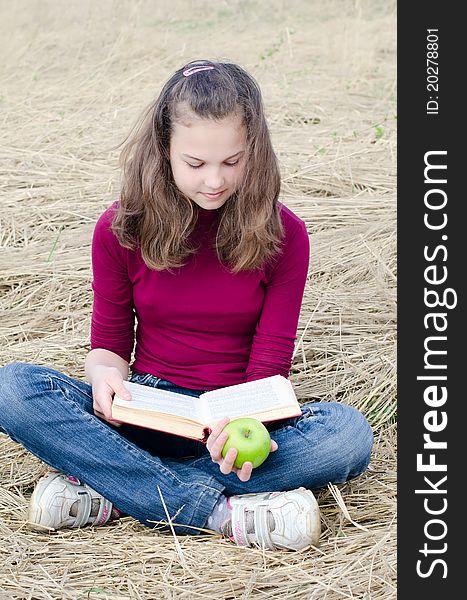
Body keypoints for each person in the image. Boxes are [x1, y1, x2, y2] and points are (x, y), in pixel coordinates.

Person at [0, 60, 373, 551]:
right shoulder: (121, 229)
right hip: (148, 413)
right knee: (12, 388)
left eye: (232, 161)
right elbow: (109, 347)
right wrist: (104, 377)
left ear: (254, 152)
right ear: (164, 152)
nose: (214, 180)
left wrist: (246, 421)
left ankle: (117, 490)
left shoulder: (287, 235)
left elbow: (271, 363)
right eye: (195, 164)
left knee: (347, 435)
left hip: (239, 420)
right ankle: (219, 512)